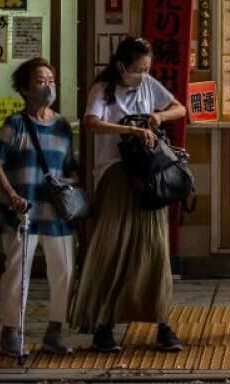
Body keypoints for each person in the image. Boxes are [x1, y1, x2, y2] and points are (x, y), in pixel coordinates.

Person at [69, 37, 188, 353]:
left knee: (154, 249)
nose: (143, 74)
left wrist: (159, 117)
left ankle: (162, 323)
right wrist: (131, 130)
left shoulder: (149, 85)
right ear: (121, 66)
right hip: (117, 176)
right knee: (113, 248)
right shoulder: (102, 89)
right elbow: (91, 123)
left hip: (148, 177)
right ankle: (103, 326)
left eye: (147, 68)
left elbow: (180, 108)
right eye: (138, 69)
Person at [0, 58, 77, 358]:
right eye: (41, 81)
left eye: (51, 80)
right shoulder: (15, 124)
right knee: (16, 273)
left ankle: (55, 331)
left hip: (56, 216)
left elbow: (70, 169)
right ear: (25, 89)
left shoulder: (64, 126)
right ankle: (10, 333)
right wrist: (11, 195)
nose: (48, 86)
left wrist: (71, 198)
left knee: (64, 272)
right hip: (22, 215)